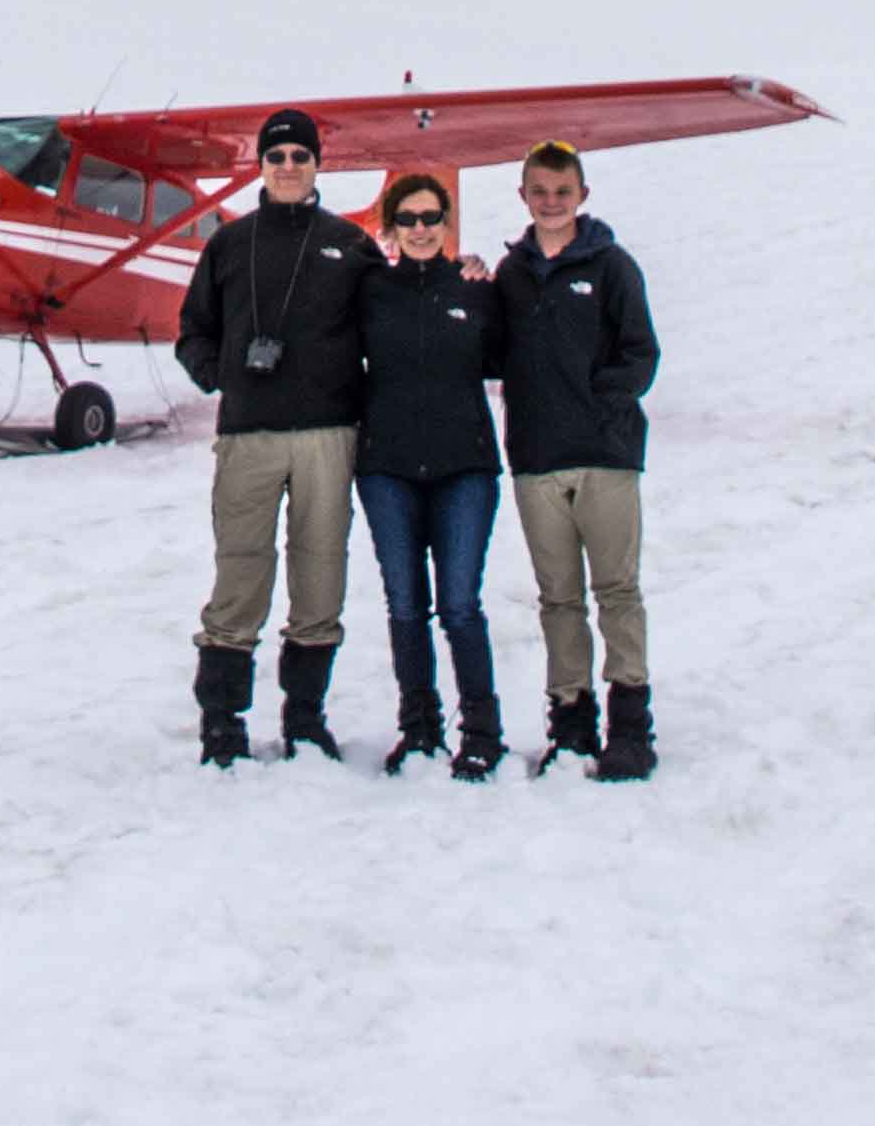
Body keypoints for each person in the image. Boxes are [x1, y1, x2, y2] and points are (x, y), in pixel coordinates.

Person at [174, 110, 382, 764]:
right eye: (276, 156)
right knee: (241, 573)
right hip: (249, 436)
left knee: (321, 573)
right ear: (260, 166)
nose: (288, 166)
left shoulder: (350, 245)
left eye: (300, 156)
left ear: (317, 164)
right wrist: (221, 376)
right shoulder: (228, 245)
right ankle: (222, 721)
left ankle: (306, 718)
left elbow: (390, 327)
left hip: (328, 435)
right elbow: (193, 330)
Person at [487, 139, 659, 778]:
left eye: (562, 192)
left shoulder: (612, 267)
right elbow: (491, 351)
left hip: (605, 457)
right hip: (537, 459)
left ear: (581, 196)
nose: (551, 202)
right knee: (558, 598)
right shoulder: (512, 274)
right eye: (540, 192)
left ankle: (630, 724)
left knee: (617, 590)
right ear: (523, 196)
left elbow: (641, 356)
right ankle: (571, 720)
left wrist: (596, 400)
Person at [355, 179, 508, 775]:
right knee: (404, 605)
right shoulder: (371, 291)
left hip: (463, 466)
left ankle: (482, 731)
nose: (420, 229)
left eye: (431, 218)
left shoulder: (475, 289)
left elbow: (513, 355)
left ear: (446, 224)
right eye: (408, 219)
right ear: (391, 229)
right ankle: (419, 728)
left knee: (460, 603)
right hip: (388, 468)